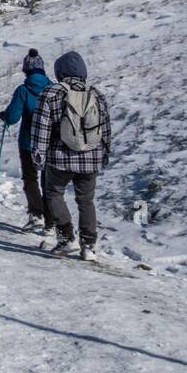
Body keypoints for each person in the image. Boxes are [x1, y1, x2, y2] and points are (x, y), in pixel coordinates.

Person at [30, 51, 112, 261]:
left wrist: (38, 154)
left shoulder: (51, 93)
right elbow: (106, 128)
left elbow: (41, 128)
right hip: (91, 156)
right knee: (86, 201)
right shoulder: (96, 93)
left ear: (60, 72)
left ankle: (67, 238)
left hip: (60, 158)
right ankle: (89, 246)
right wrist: (104, 153)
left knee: (53, 192)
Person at [0, 49, 53, 233]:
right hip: (51, 143)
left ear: (26, 70)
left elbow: (13, 117)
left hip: (28, 143)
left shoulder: (23, 90)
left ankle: (36, 214)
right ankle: (51, 220)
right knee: (48, 181)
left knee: (30, 178)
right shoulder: (54, 89)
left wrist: (5, 116)